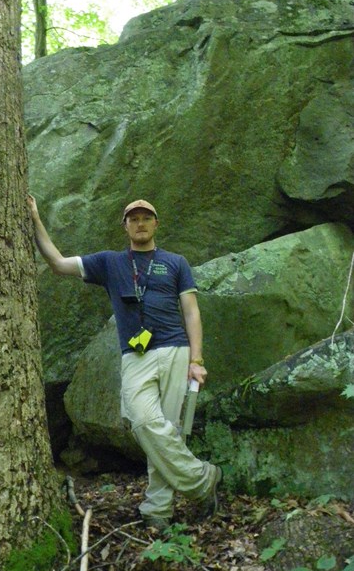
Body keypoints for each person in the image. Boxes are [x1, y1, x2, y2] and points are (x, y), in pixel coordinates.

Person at [28, 194, 222, 530]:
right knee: (144, 421)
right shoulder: (110, 263)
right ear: (125, 226)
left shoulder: (176, 263)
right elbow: (58, 264)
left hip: (175, 351)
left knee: (169, 432)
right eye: (134, 219)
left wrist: (197, 359)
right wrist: (34, 218)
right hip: (136, 356)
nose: (140, 223)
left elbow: (191, 312)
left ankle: (157, 510)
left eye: (146, 218)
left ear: (156, 224)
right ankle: (202, 479)